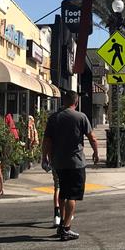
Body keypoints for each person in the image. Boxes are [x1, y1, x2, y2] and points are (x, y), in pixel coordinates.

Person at [42, 91, 99, 241]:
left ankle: (61, 224)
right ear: (76, 102)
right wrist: (96, 153)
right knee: (72, 196)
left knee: (62, 192)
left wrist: (44, 158)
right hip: (76, 163)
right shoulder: (81, 117)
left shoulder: (54, 118)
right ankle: (66, 228)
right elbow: (92, 138)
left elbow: (47, 141)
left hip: (58, 162)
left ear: (64, 101)